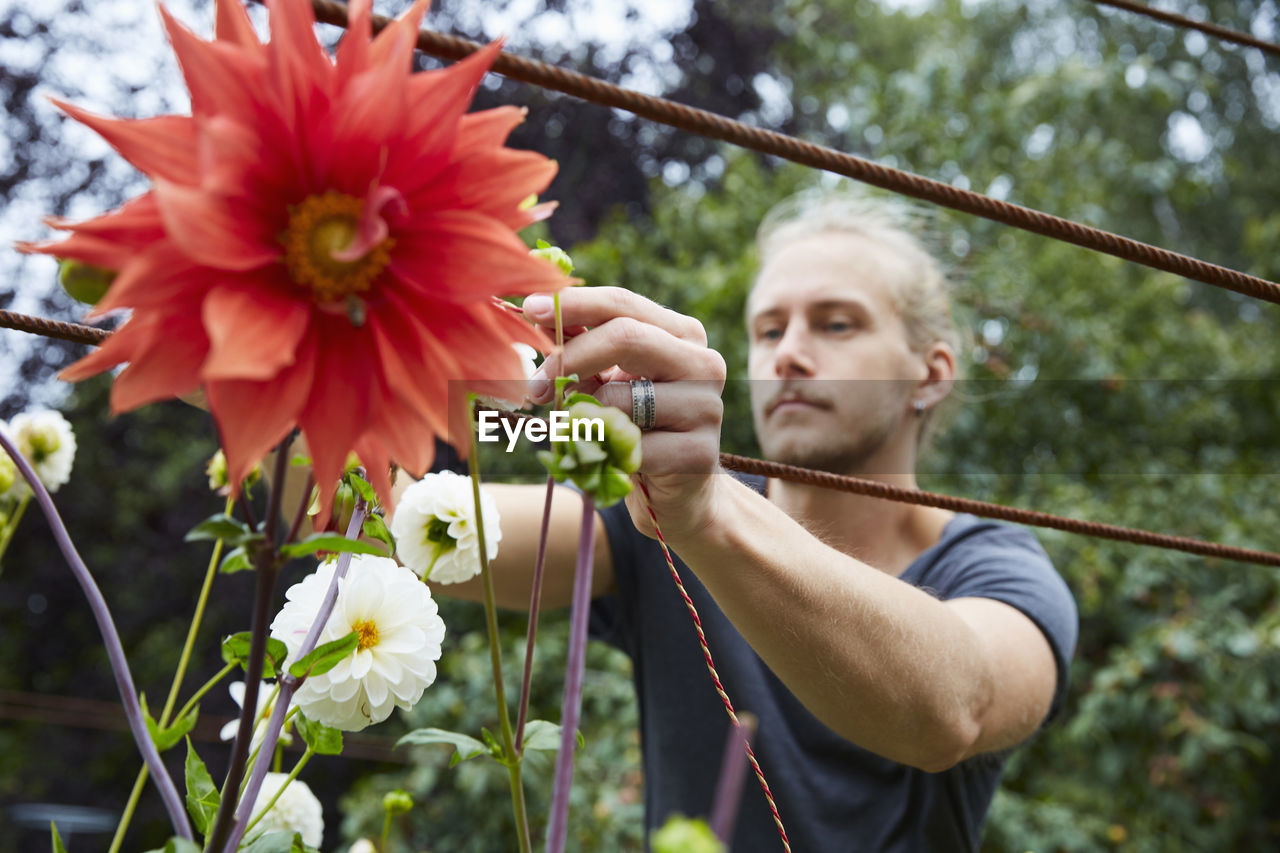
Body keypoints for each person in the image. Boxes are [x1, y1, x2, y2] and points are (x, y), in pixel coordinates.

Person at [397, 191, 1078, 851]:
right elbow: (400, 523)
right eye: (769, 329)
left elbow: (954, 709)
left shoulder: (999, 566)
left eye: (837, 324)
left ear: (931, 374)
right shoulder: (652, 515)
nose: (789, 354)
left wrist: (706, 512)